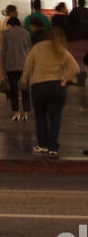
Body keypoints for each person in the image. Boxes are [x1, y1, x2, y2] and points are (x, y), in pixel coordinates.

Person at [21, 26, 80, 156]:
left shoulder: (37, 48)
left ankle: (42, 145)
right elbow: (75, 68)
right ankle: (53, 147)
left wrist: (24, 81)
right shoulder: (61, 49)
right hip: (57, 87)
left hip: (39, 87)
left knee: (40, 117)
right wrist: (65, 78)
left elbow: (28, 66)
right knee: (55, 117)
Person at [0, 15, 31, 121]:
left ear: (10, 24)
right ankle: (26, 112)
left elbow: (3, 52)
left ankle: (16, 112)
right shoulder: (26, 33)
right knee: (25, 89)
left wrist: (3, 71)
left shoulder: (6, 34)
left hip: (10, 66)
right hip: (24, 65)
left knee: (13, 91)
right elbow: (29, 49)